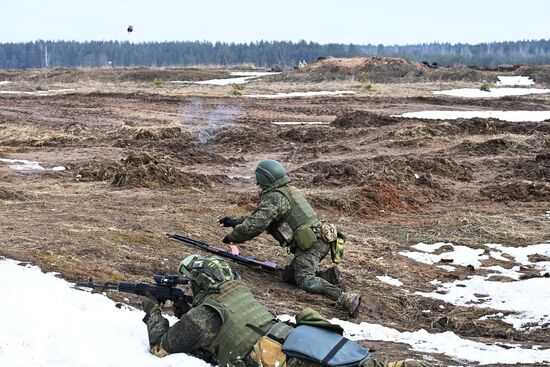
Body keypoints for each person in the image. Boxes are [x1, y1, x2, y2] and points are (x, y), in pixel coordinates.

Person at [141, 254, 433, 367]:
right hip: (294, 338)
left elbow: (160, 348)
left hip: (277, 359)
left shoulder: (201, 316)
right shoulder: (240, 291)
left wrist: (152, 308)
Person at [219, 159, 361, 316]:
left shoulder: (275, 198)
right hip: (317, 240)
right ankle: (330, 277)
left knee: (305, 281)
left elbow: (256, 225)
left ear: (264, 178)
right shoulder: (286, 190)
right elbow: (259, 219)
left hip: (313, 244)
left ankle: (345, 298)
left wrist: (233, 237)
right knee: (288, 277)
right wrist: (233, 222)